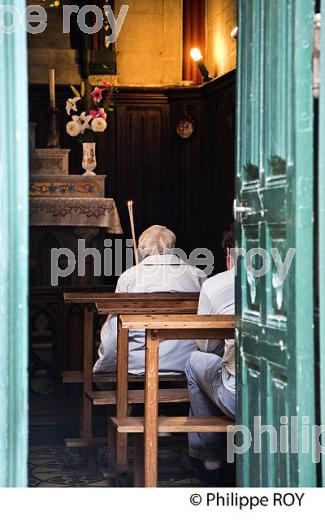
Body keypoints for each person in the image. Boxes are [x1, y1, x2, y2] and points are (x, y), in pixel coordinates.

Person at [93, 225, 206, 375]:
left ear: (141, 250)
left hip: (140, 363)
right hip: (187, 361)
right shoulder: (197, 275)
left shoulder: (130, 277)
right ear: (173, 247)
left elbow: (114, 330)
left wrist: (103, 366)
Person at [184, 225, 235, 485]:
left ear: (228, 255)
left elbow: (204, 344)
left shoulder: (215, 284)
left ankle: (209, 454)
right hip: (281, 395)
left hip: (236, 398)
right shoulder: (284, 281)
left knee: (194, 361)